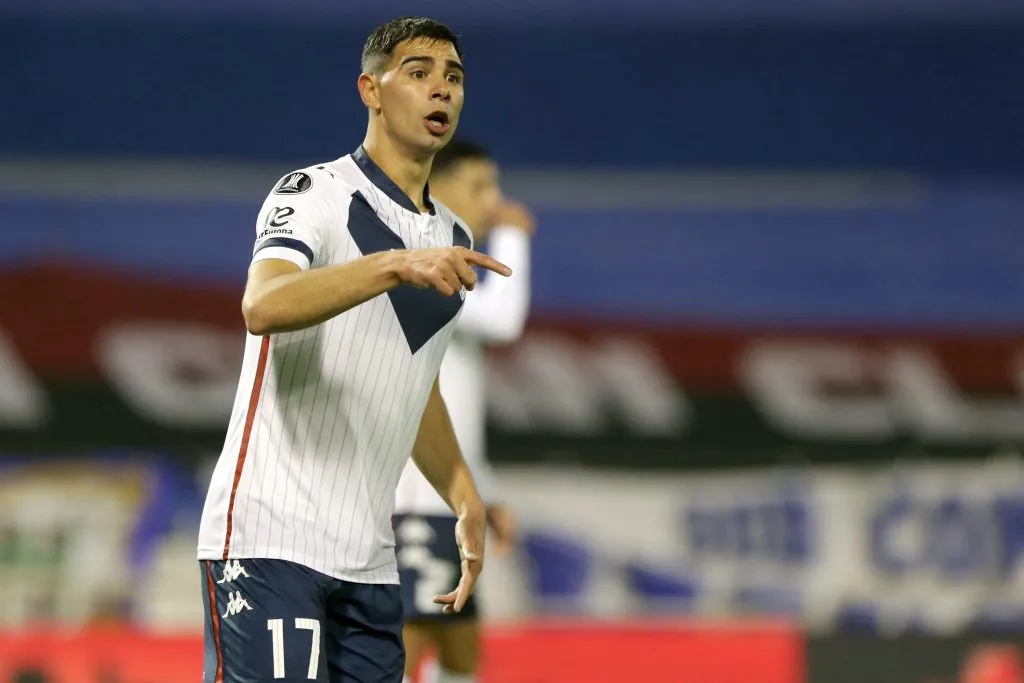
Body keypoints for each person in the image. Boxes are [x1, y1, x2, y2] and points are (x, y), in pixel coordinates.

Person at [196, 16, 512, 683]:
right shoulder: (313, 193)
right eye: (418, 73)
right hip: (269, 537)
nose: (442, 89)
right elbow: (263, 305)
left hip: (369, 560)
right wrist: (393, 264)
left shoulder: (452, 235)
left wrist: (463, 492)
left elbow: (413, 380)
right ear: (371, 90)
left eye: (453, 77)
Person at [392, 141, 534, 683]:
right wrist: (514, 237)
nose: (494, 202)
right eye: (480, 187)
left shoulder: (453, 276)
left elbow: (455, 405)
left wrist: (485, 491)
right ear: (439, 190)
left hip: (447, 502)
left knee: (459, 654)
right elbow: (504, 319)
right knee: (408, 646)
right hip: (411, 501)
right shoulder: (418, 266)